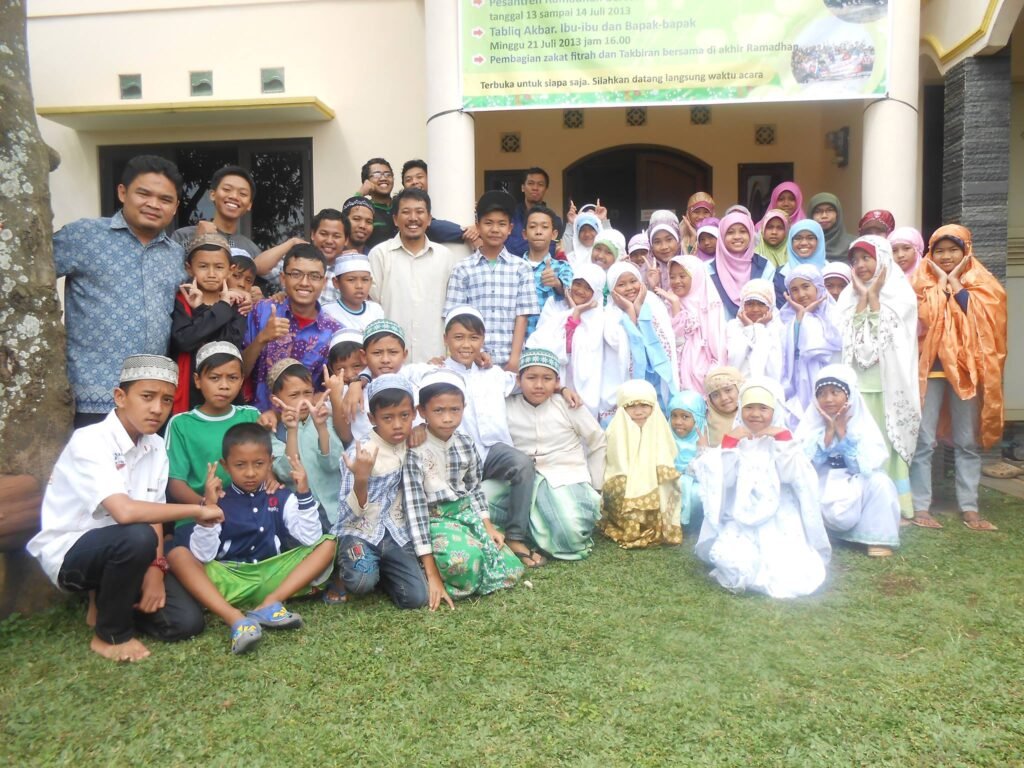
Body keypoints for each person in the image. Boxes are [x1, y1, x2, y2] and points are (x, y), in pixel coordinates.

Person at [26, 354, 219, 662]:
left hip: (132, 551)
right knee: (135, 536)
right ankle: (110, 635)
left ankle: (105, 603)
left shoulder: (155, 446)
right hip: (73, 553)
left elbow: (153, 511)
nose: (157, 408)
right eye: (147, 397)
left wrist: (156, 571)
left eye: (167, 400)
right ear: (120, 396)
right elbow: (126, 513)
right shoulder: (89, 440)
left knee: (186, 623)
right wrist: (195, 510)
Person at [167, 423, 336, 654]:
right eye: (240, 465)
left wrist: (304, 492)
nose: (249, 473)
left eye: (259, 464)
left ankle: (270, 604)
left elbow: (310, 537)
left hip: (273, 575)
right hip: (230, 579)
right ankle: (235, 619)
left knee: (327, 544)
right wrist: (210, 507)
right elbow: (204, 555)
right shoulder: (221, 500)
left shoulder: (280, 496)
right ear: (225, 466)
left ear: (270, 462)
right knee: (178, 554)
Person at [56, 154, 186, 427]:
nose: (153, 204)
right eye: (144, 194)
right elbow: (31, 274)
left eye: (165, 199)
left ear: (175, 207)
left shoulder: (176, 255)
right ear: (122, 192)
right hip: (91, 397)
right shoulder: (84, 235)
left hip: (152, 402)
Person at [692, 377, 830, 599]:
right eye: (749, 408)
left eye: (763, 408)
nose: (755, 414)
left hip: (780, 514)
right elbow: (724, 481)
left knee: (785, 564)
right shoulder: (737, 439)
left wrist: (783, 441)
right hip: (741, 515)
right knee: (730, 559)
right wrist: (729, 444)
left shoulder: (783, 439)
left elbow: (790, 475)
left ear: (774, 410)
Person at [910, 225, 1007, 531]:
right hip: (930, 371)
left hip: (966, 372)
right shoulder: (920, 282)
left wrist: (955, 285)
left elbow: (988, 320)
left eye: (953, 250)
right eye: (940, 250)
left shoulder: (983, 282)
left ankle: (969, 507)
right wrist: (940, 286)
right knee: (923, 440)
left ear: (966, 250)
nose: (946, 256)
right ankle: (920, 506)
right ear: (930, 253)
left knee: (966, 441)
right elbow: (920, 318)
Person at [402, 369, 523, 603]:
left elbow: (474, 487)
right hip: (434, 520)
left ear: (463, 408)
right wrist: (432, 573)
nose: (447, 418)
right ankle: (427, 565)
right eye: (438, 410)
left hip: (465, 514)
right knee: (464, 562)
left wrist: (487, 525)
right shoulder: (415, 450)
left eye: (454, 410)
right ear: (422, 411)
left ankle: (471, 546)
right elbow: (415, 510)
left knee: (510, 566)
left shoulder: (466, 443)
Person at [441, 306, 548, 568]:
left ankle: (515, 536)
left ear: (483, 340)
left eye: (473, 338)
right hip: (457, 456)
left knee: (522, 463)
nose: (466, 345)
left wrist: (564, 387)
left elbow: (532, 381)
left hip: (492, 453)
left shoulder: (495, 374)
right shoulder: (434, 373)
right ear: (446, 339)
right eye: (458, 337)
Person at [836, 235, 920, 520]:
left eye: (866, 258)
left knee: (885, 442)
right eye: (855, 260)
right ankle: (861, 505)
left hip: (887, 386)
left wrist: (874, 297)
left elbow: (889, 339)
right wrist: (863, 297)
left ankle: (896, 505)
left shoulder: (901, 294)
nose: (860, 265)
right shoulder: (847, 296)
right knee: (860, 442)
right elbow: (845, 338)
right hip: (857, 386)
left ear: (882, 259)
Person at [333, 374, 429, 609]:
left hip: (396, 532)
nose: (397, 425)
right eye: (387, 418)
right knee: (362, 582)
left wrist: (423, 428)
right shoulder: (362, 452)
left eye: (404, 416)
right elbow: (348, 513)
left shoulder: (412, 441)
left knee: (416, 598)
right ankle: (352, 566)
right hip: (361, 531)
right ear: (372, 418)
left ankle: (385, 571)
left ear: (414, 413)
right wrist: (361, 478)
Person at [505, 348, 606, 561]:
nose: (539, 385)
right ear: (518, 379)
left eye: (547, 378)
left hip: (565, 476)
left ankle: (529, 538)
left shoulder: (568, 404)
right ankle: (523, 538)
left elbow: (597, 441)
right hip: (521, 479)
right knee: (485, 503)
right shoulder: (506, 405)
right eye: (531, 377)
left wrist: (596, 486)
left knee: (571, 533)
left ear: (557, 381)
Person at [795, 365, 901, 557]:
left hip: (853, 482)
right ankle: (817, 532)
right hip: (821, 482)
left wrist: (843, 434)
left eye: (835, 392)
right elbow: (801, 465)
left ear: (849, 395)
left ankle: (875, 537)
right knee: (796, 485)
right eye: (822, 394)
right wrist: (828, 433)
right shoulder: (810, 425)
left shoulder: (863, 425)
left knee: (880, 483)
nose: (828, 400)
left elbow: (865, 467)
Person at [444, 190, 540, 370]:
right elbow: (454, 317)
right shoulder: (463, 269)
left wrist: (515, 358)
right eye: (488, 223)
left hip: (509, 361)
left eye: (502, 224)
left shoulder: (521, 268)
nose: (495, 229)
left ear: (510, 228)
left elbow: (522, 316)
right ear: (477, 226)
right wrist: (474, 353)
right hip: (471, 361)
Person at [242, 242, 341, 410]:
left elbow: (333, 388)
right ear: (283, 278)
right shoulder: (261, 311)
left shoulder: (334, 331)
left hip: (306, 425)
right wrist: (261, 339)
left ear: (324, 282)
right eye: (296, 274)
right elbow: (239, 372)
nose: (304, 282)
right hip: (257, 422)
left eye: (314, 276)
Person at [369, 187, 463, 363]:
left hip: (436, 358)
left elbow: (452, 310)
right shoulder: (379, 255)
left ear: (428, 219)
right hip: (390, 362)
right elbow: (373, 307)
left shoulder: (445, 257)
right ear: (396, 219)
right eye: (406, 212)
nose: (413, 218)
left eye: (419, 212)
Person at [527, 262, 629, 424]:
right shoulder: (554, 306)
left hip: (590, 385)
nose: (580, 291)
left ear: (596, 292)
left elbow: (617, 344)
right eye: (577, 284)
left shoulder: (601, 317)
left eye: (587, 288)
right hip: (558, 382)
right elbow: (541, 343)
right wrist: (574, 315)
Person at [166, 342, 261, 505]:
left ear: (241, 382)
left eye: (232, 378)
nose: (224, 386)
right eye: (214, 378)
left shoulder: (252, 417)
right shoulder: (181, 424)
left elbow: (268, 466)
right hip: (197, 516)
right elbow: (175, 484)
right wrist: (206, 505)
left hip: (248, 512)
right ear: (197, 380)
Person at [169, 234, 249, 413]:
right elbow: (184, 340)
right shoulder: (182, 300)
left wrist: (201, 310)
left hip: (226, 387)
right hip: (189, 385)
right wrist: (220, 307)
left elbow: (228, 344)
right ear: (189, 269)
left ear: (230, 270)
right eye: (203, 266)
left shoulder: (237, 304)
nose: (212, 274)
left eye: (219, 267)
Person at [600, 379, 682, 549]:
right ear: (623, 408)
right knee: (622, 485)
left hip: (652, 475)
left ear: (653, 406)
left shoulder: (658, 426)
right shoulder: (616, 429)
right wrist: (635, 479)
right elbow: (616, 463)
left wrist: (656, 473)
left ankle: (655, 526)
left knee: (664, 482)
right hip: (625, 477)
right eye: (632, 406)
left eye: (644, 406)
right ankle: (631, 528)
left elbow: (667, 455)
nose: (638, 412)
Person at [268, 360, 344, 531]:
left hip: (337, 511)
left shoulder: (325, 419)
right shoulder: (274, 433)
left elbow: (333, 463)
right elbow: (287, 474)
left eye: (307, 393)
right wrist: (292, 430)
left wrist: (321, 427)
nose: (303, 401)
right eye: (294, 395)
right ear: (275, 400)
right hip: (302, 516)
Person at [606, 262, 679, 409]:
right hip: (630, 378)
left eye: (633, 281)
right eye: (621, 284)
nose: (629, 288)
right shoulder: (610, 312)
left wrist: (639, 308)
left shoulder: (653, 302)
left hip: (658, 376)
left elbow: (664, 338)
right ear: (612, 289)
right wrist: (630, 311)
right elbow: (616, 342)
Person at [654, 255, 727, 394]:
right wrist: (675, 306)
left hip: (703, 374)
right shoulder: (668, 302)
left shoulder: (709, 304)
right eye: (672, 276)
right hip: (676, 373)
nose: (676, 281)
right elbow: (673, 342)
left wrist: (712, 377)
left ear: (696, 276)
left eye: (683, 276)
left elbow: (718, 348)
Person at [779, 265, 842, 420]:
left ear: (818, 287)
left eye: (806, 287)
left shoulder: (835, 315)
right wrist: (802, 316)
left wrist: (806, 318)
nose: (801, 294)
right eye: (794, 290)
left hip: (828, 379)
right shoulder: (785, 318)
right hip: (798, 382)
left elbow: (827, 348)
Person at [171, 165, 260, 263]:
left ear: (249, 205)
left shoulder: (252, 250)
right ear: (212, 194)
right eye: (227, 189)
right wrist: (197, 240)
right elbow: (171, 271)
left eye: (242, 194)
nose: (234, 196)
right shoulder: (183, 235)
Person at [709, 210, 776, 320]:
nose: (737, 237)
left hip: (758, 328)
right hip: (719, 333)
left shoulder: (766, 267)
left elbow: (768, 304)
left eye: (743, 231)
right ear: (721, 236)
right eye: (730, 232)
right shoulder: (708, 269)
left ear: (750, 234)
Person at [399, 159, 479, 246]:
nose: (414, 182)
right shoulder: (400, 204)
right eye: (408, 179)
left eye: (419, 177)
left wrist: (478, 226)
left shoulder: (446, 199)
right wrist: (467, 232)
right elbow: (432, 227)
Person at [521, 205, 572, 335]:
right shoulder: (514, 267)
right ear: (524, 234)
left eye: (544, 227)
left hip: (550, 343)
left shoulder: (562, 267)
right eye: (532, 227)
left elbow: (574, 297)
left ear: (554, 234)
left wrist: (558, 284)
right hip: (519, 343)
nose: (538, 231)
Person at [726, 279, 784, 382]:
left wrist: (758, 328)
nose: (755, 309)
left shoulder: (778, 328)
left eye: (761, 304)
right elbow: (734, 360)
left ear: (770, 306)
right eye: (750, 304)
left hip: (768, 388)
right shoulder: (732, 327)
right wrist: (750, 328)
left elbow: (775, 368)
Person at [668, 390, 707, 528]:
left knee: (698, 493)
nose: (678, 422)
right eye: (674, 416)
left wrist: (702, 450)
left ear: (698, 418)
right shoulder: (666, 437)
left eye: (685, 417)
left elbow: (705, 472)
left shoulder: (705, 438)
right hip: (668, 480)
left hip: (694, 482)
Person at [507, 167, 564, 258]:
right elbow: (506, 249)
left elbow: (550, 251)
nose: (535, 188)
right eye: (530, 183)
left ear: (546, 189)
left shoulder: (555, 220)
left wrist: (518, 245)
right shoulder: (509, 217)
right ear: (522, 187)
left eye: (540, 184)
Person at [322, 253, 384, 332]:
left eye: (365, 280)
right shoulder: (327, 312)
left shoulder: (375, 310)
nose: (359, 286)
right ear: (336, 283)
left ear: (371, 282)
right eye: (351, 280)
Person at [773, 220, 827, 307]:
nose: (804, 243)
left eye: (810, 238)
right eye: (798, 238)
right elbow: (781, 308)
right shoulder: (781, 274)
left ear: (819, 240)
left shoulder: (829, 271)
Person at [306, 208, 349, 303]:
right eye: (324, 234)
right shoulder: (297, 263)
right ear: (313, 234)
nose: (329, 241)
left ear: (346, 240)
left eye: (336, 236)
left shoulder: (349, 272)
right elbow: (264, 269)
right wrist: (292, 242)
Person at [356, 157, 397, 249]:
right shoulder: (365, 209)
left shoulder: (400, 205)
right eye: (377, 175)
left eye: (388, 174)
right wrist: (360, 193)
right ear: (366, 181)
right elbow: (348, 220)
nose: (383, 178)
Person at [703, 365, 745, 447]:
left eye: (728, 390)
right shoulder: (705, 427)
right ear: (710, 400)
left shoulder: (754, 417)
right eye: (715, 395)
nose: (723, 398)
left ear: (740, 388)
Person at [808, 192, 853, 261]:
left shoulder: (853, 244)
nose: (824, 216)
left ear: (837, 213)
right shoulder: (804, 245)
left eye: (830, 210)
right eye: (818, 211)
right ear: (811, 216)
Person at [646, 221, 681, 290]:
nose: (664, 247)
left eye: (669, 240)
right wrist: (654, 287)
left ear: (678, 241)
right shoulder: (644, 272)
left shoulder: (691, 267)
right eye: (657, 242)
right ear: (651, 246)